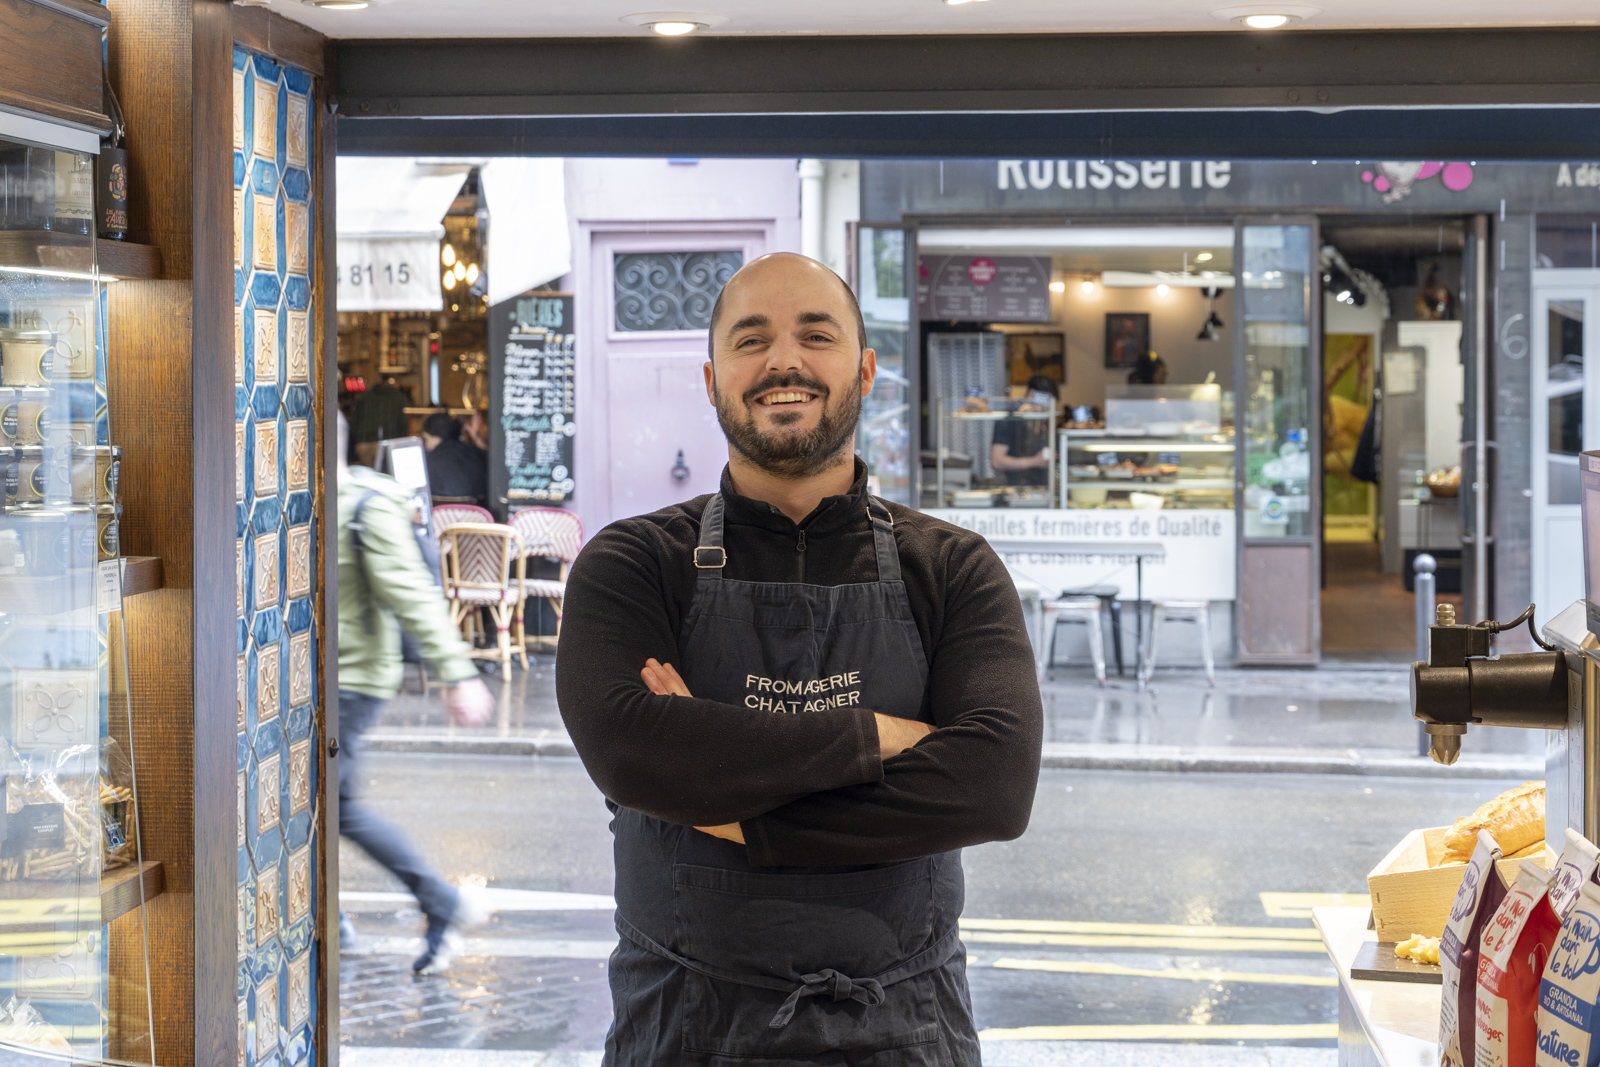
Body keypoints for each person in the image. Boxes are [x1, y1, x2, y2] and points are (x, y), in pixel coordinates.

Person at [556, 252, 1043, 1064]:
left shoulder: (953, 565)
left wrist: (720, 791)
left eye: (816, 335)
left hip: (905, 1028)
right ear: (712, 379)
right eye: (752, 340)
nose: (784, 360)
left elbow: (993, 784)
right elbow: (632, 754)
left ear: (867, 369)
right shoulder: (633, 563)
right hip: (682, 1026)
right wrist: (882, 737)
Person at [336, 410, 496, 974]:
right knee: (319, 804)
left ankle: (438, 900)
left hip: (350, 679)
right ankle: (331, 915)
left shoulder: (361, 505)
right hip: (323, 680)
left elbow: (412, 593)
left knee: (334, 806)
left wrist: (459, 672)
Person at [989, 373, 1058, 486]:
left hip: (1037, 489)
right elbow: (997, 461)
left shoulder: (1038, 419)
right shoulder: (1011, 416)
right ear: (1031, 394)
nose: (1048, 408)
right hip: (1014, 488)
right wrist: (1035, 461)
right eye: (1047, 401)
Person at [420, 411, 489, 505]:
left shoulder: (425, 462)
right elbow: (496, 465)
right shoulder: (478, 454)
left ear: (437, 437)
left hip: (439, 518)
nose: (426, 444)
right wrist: (476, 438)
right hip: (479, 517)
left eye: (426, 439)